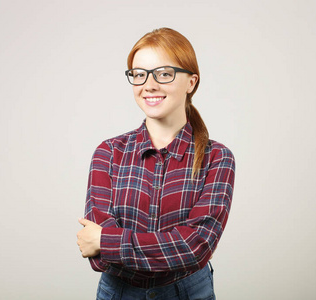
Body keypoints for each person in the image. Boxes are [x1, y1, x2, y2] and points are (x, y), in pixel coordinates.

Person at [77, 27, 235, 300]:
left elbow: (194, 247)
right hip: (119, 292)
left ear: (191, 82)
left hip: (188, 292)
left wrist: (107, 240)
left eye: (163, 73)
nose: (149, 85)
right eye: (139, 74)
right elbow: (99, 259)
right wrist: (109, 245)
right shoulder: (108, 153)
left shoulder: (217, 158)